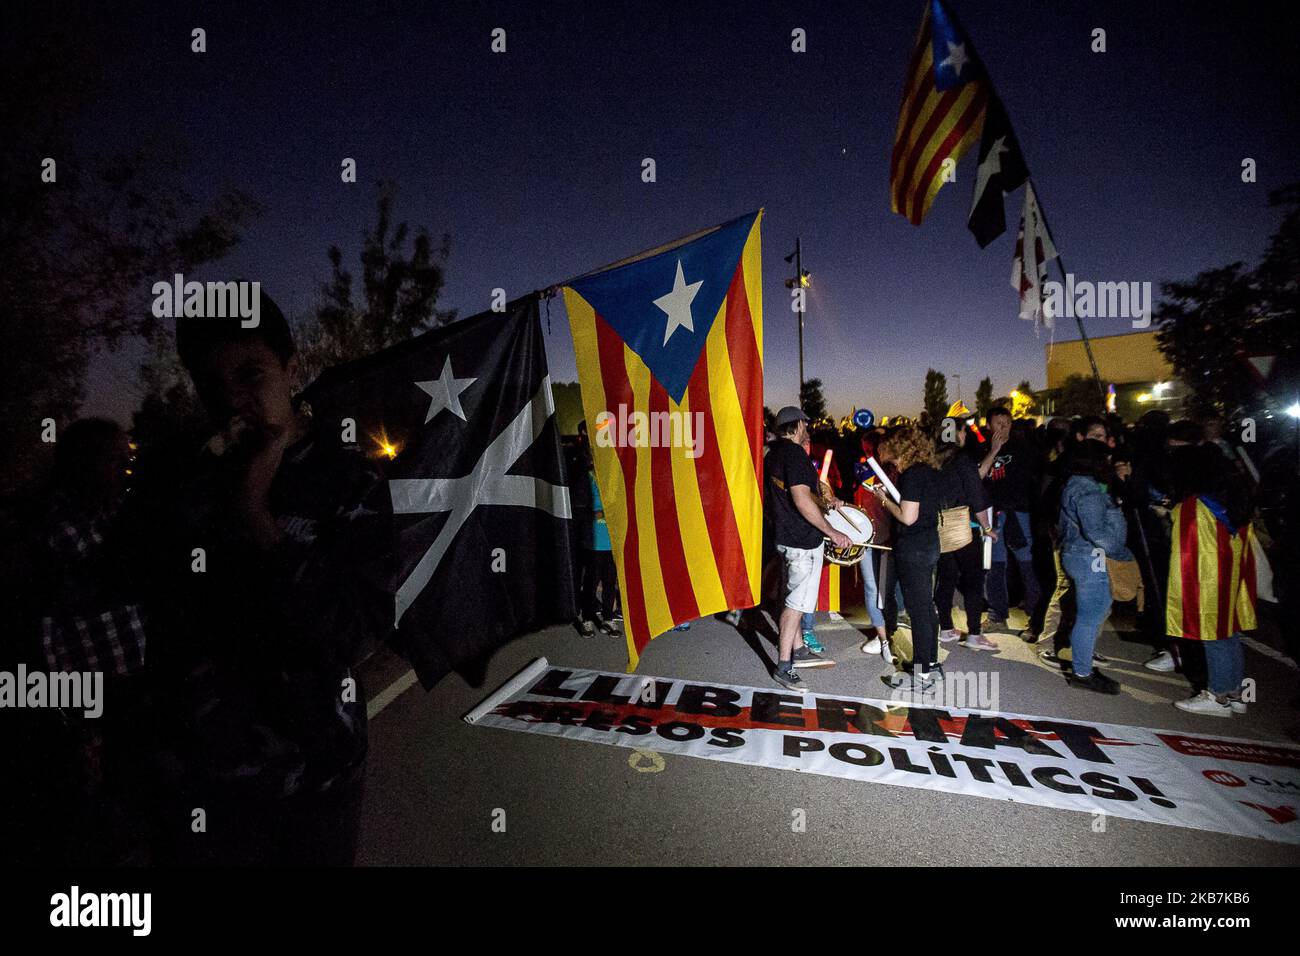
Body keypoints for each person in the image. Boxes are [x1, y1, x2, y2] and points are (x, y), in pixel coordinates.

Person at [133, 289, 394, 864]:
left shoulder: (347, 483)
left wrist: (257, 519)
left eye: (250, 374)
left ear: (291, 370)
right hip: (200, 784)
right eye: (212, 384)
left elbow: (354, 633)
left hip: (313, 781)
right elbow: (154, 617)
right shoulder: (184, 487)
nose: (233, 400)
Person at [763, 406, 849, 691]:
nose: (808, 430)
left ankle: (798, 650)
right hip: (802, 540)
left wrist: (826, 500)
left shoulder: (774, 453)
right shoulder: (796, 454)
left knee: (793, 596)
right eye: (806, 425)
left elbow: (796, 494)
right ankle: (784, 665)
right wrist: (832, 531)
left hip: (785, 536)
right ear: (799, 425)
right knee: (796, 604)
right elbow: (801, 500)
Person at [1168, 447, 1257, 717]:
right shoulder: (1237, 498)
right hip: (1232, 576)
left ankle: (1217, 696)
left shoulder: (1197, 505)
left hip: (1207, 577)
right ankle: (1234, 693)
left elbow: (1183, 540)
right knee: (1230, 635)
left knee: (1213, 636)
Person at [1057, 439, 1131, 694]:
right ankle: (1082, 672)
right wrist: (1118, 548)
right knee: (1090, 617)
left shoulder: (1075, 484)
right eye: (1106, 459)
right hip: (1090, 557)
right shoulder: (1087, 490)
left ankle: (1083, 666)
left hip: (1079, 553)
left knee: (1088, 615)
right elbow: (1097, 532)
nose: (1110, 464)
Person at [872, 425, 943, 689]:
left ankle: (922, 673)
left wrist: (882, 499)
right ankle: (931, 663)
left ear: (899, 446)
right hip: (929, 543)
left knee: (919, 609)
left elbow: (908, 517)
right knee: (926, 606)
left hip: (914, 547)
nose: (883, 446)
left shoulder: (913, 474)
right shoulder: (929, 471)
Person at [933, 418, 997, 650]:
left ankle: (946, 628)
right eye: (963, 431)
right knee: (974, 580)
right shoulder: (962, 458)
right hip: (964, 526)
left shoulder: (934, 460)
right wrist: (987, 527)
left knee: (946, 578)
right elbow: (975, 494)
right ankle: (974, 634)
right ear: (958, 434)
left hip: (939, 526)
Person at [979, 407, 1042, 638]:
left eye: (1007, 423)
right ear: (988, 426)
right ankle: (997, 615)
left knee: (1026, 564)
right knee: (995, 566)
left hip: (1019, 514)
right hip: (994, 515)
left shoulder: (1024, 450)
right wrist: (993, 451)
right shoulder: (983, 450)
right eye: (998, 423)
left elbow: (1032, 481)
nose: (1003, 427)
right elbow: (978, 478)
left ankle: (1036, 621)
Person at [578, 447, 619, 636]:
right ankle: (587, 619)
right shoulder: (586, 479)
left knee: (610, 582)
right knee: (591, 582)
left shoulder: (612, 481)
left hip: (611, 541)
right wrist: (596, 513)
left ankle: (608, 619)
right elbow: (577, 506)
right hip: (594, 541)